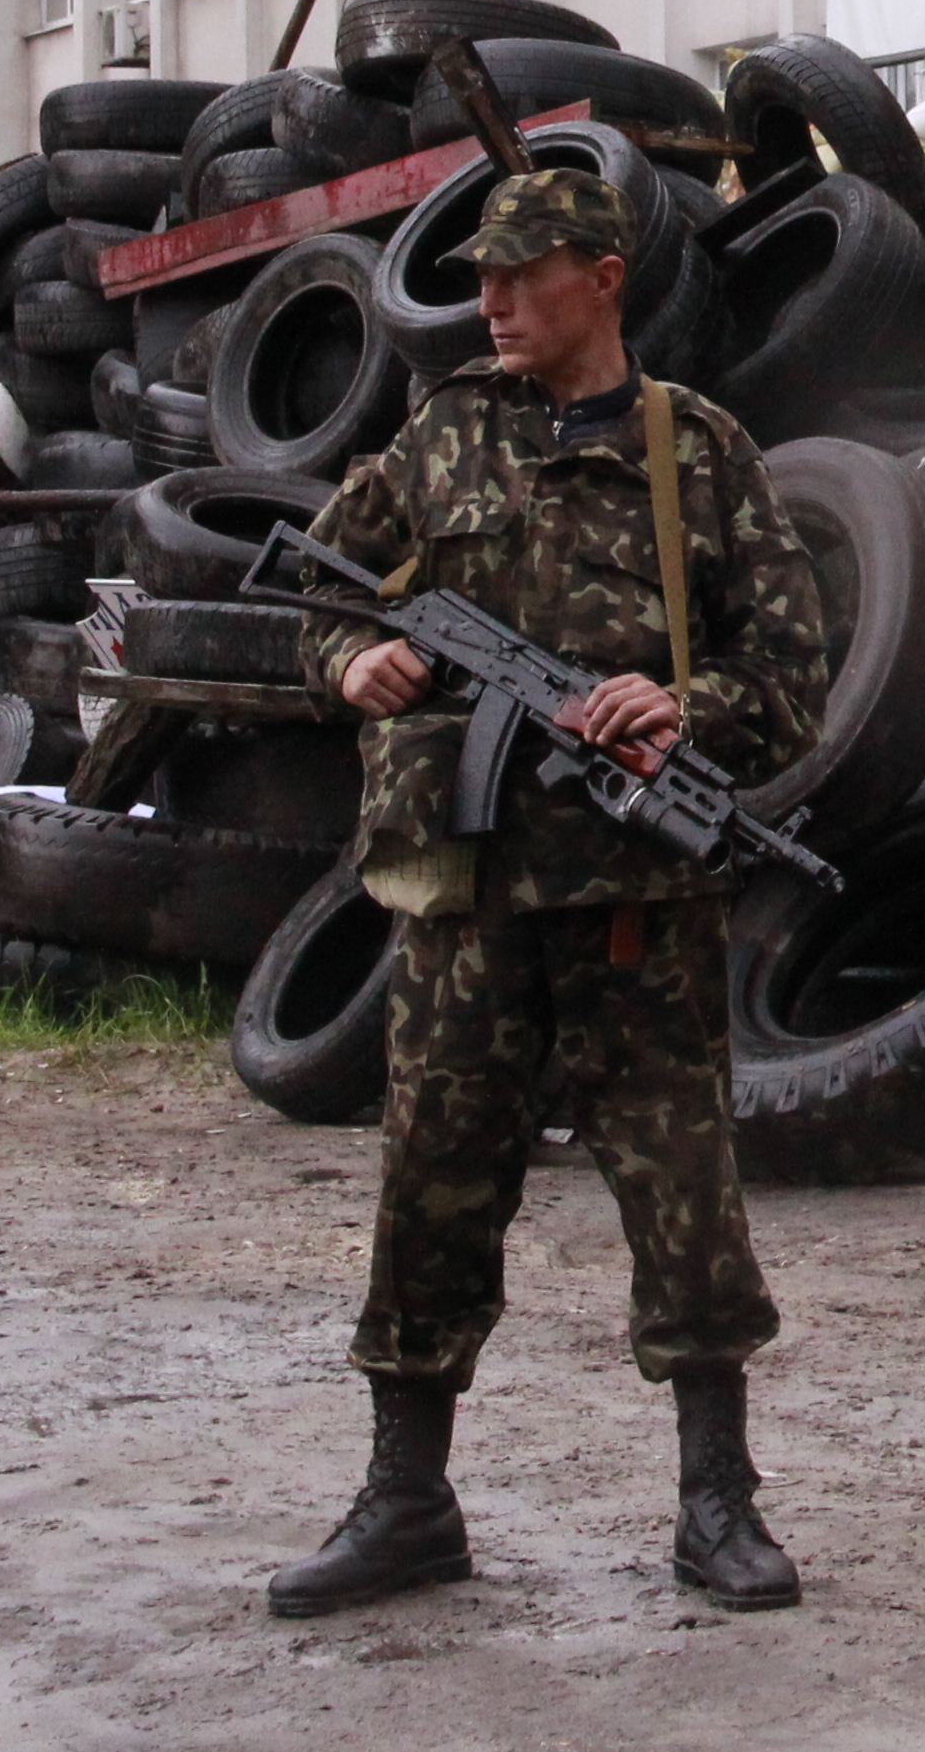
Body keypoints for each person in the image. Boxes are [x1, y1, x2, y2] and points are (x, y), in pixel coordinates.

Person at [268, 161, 836, 1618]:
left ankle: (719, 1504)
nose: (494, 302)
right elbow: (323, 595)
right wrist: (358, 666)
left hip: (635, 893)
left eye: (523, 275)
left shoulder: (692, 451)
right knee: (432, 1193)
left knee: (684, 1192)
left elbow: (789, 681)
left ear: (606, 275)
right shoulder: (440, 436)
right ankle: (407, 1499)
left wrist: (681, 708)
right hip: (465, 899)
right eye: (480, 279)